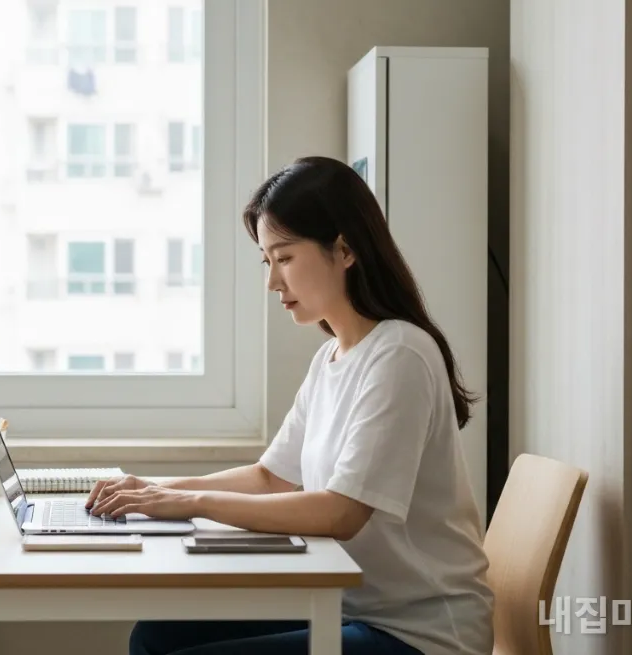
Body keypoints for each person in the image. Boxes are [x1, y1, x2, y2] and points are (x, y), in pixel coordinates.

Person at [86, 155, 494, 655]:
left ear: (343, 249)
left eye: (284, 258)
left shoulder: (400, 354)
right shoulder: (332, 358)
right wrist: (155, 490)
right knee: (155, 636)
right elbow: (270, 477)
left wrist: (190, 502)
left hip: (420, 633)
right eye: (267, 261)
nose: (273, 282)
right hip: (353, 607)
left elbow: (341, 513)